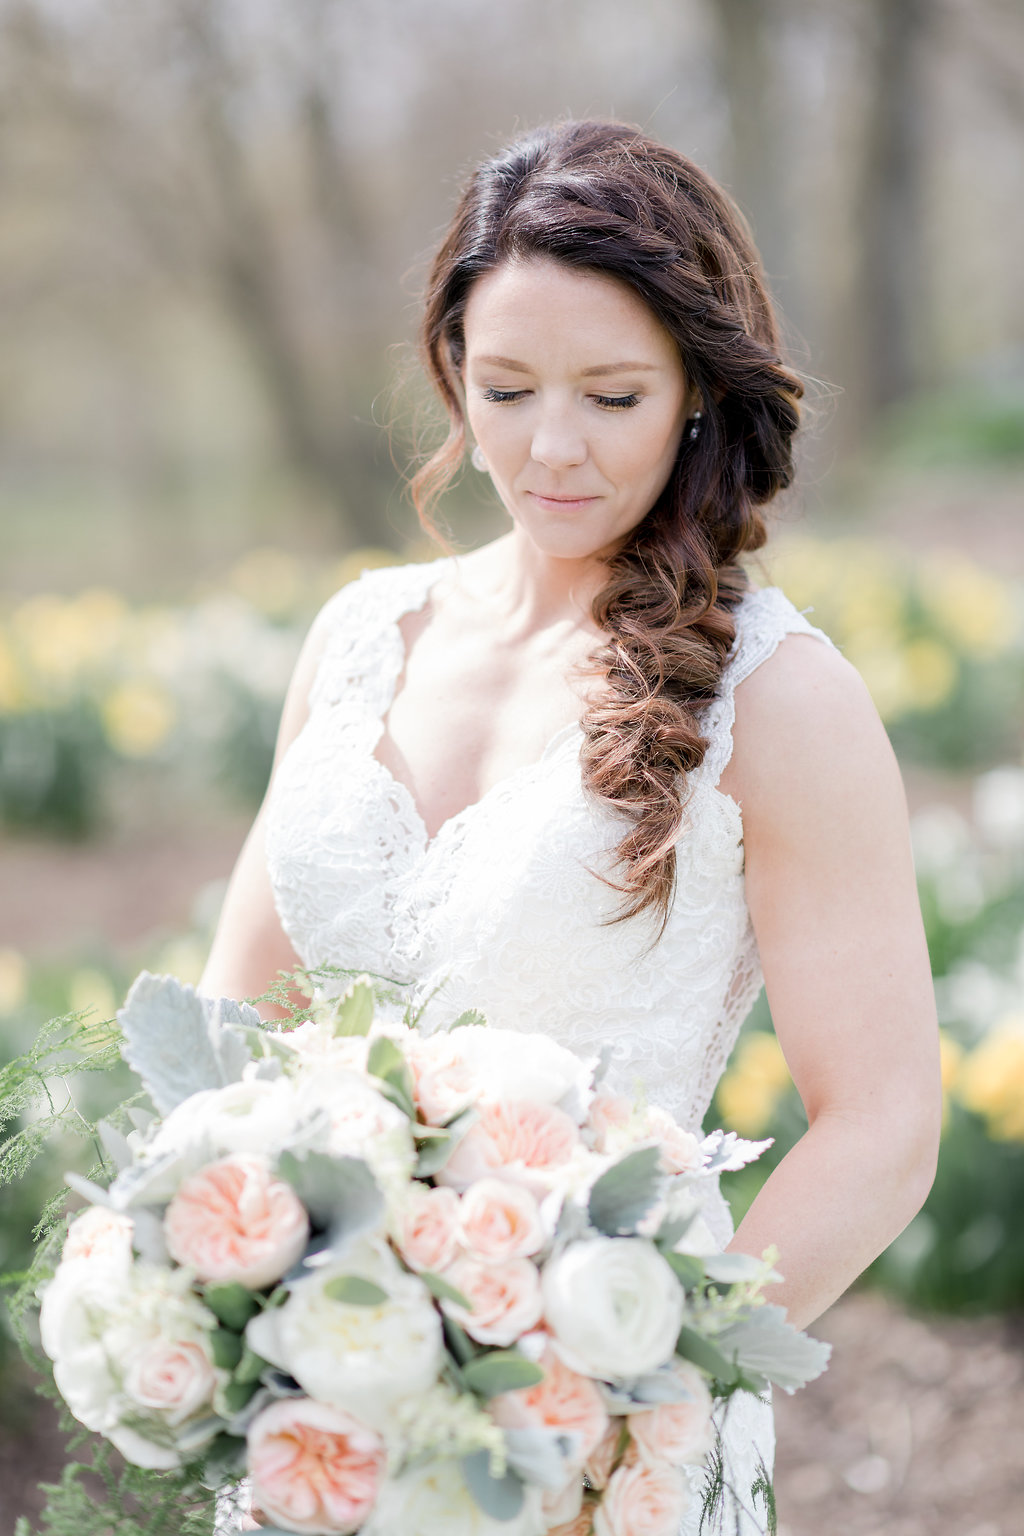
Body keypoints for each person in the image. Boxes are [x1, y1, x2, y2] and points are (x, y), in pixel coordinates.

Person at [199, 120, 941, 1534]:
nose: (551, 447)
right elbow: (231, 1026)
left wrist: (635, 1362)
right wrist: (228, 1288)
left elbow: (889, 1125)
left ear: (698, 396)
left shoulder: (782, 701)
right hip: (321, 1411)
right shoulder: (360, 637)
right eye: (506, 387)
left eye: (611, 395)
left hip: (597, 1443)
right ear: (450, 376)